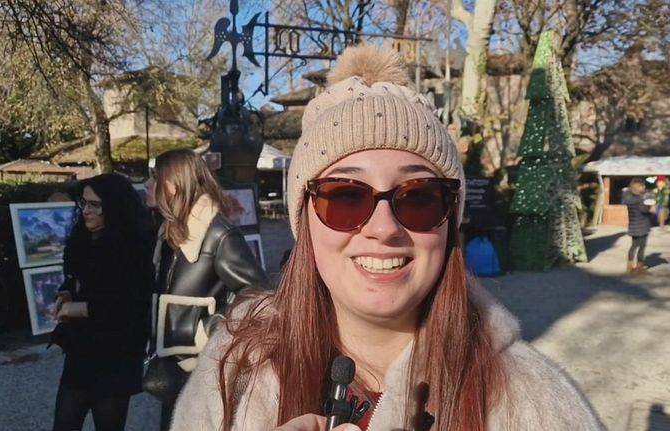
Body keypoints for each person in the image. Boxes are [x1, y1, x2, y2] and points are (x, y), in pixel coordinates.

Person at [170, 46, 604, 430]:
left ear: (450, 223)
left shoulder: (534, 402)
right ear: (304, 222)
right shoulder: (233, 370)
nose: (384, 228)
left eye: (419, 198)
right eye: (345, 196)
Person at [150, 148, 268, 429]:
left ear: (173, 184)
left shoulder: (218, 233)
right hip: (173, 366)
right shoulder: (170, 230)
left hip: (200, 368)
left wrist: (209, 329)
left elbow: (258, 295)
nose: (148, 184)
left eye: (155, 177)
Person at [50, 174, 155, 431]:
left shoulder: (135, 247)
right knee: (64, 422)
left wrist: (80, 309)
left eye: (95, 205)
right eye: (84, 203)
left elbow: (133, 305)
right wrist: (66, 294)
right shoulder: (81, 238)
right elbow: (75, 278)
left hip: (116, 350)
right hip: (81, 348)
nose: (86, 210)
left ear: (113, 206)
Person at [622, 177, 654, 273]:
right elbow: (643, 211)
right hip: (642, 226)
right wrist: (650, 209)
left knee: (634, 246)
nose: (644, 187)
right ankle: (640, 267)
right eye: (642, 185)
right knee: (642, 246)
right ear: (638, 186)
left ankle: (629, 266)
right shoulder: (639, 199)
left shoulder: (629, 198)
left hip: (633, 225)